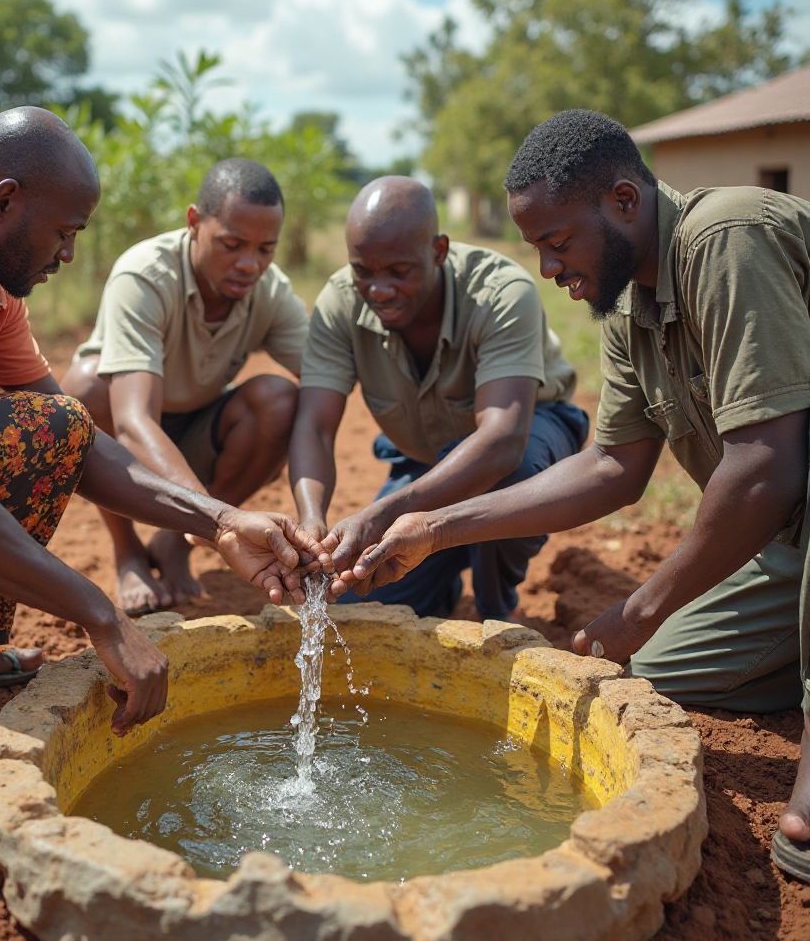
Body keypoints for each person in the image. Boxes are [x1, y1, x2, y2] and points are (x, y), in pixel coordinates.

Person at [339, 110, 810, 882]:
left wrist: (643, 603)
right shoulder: (630, 305)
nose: (549, 269)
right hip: (786, 542)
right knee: (656, 674)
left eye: (557, 244)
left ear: (624, 201)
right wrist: (433, 527)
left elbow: (766, 464)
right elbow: (613, 467)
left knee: (643, 632)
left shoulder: (728, 239)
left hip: (790, 498)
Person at [0, 108, 327, 751]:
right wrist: (102, 616)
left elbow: (80, 445)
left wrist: (218, 522)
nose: (69, 254)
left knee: (52, 427)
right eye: (64, 232)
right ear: (5, 201)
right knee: (28, 433)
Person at [290, 176, 587, 619]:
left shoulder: (501, 292)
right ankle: (437, 580)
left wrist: (383, 515)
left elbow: (502, 442)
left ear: (439, 252)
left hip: (528, 438)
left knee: (510, 474)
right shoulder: (340, 302)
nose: (379, 289)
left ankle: (494, 610)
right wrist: (311, 518)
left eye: (399, 272)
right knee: (356, 602)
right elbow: (314, 424)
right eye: (363, 271)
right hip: (425, 464)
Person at [62, 158, 308, 614]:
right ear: (195, 222)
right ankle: (128, 551)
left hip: (199, 428)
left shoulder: (270, 292)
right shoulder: (145, 276)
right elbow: (134, 421)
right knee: (85, 389)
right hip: (124, 432)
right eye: (231, 244)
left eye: (265, 249)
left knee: (281, 400)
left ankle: (176, 542)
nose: (249, 264)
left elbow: (325, 380)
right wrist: (221, 522)